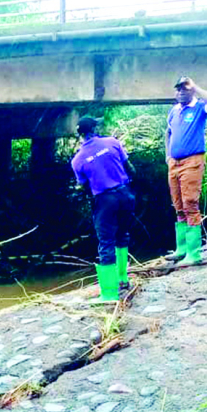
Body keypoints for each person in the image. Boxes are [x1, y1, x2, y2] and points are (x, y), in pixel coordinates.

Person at [70, 116, 136, 304]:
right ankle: (123, 280)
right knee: (122, 235)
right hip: (125, 194)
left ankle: (108, 294)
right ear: (96, 128)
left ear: (80, 134)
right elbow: (130, 168)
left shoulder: (77, 160)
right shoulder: (112, 142)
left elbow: (84, 186)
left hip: (104, 200)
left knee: (105, 242)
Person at [164, 76, 207, 267]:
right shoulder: (174, 111)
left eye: (184, 89)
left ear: (191, 91)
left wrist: (195, 87)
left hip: (192, 161)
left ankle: (194, 253)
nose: (180, 92)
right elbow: (168, 132)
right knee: (178, 204)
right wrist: (167, 155)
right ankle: (182, 249)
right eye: (178, 89)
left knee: (190, 204)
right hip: (174, 163)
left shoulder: (198, 108)